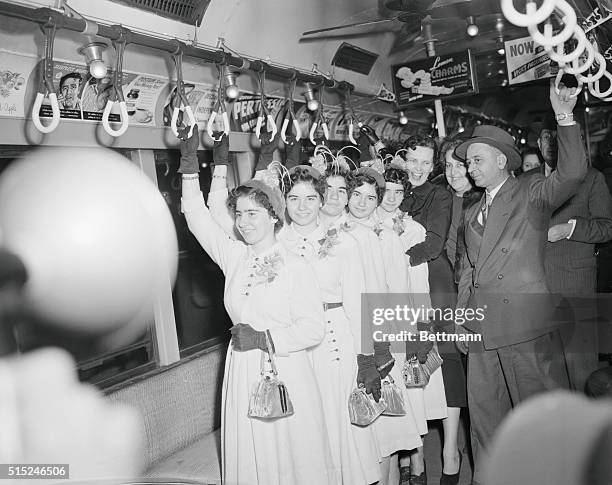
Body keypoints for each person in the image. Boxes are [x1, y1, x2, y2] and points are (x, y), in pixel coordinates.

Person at [179, 126, 337, 485]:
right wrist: (192, 167)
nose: (244, 222)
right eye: (239, 214)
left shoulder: (297, 265)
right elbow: (197, 217)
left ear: (273, 218)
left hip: (287, 371)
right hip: (243, 369)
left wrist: (266, 337)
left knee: (289, 457)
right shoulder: (234, 256)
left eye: (253, 214)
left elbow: (314, 328)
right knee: (252, 459)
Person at [453, 82, 587, 485]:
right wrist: (462, 319)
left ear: (501, 160)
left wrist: (564, 116)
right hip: (481, 329)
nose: (469, 168)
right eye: (467, 162)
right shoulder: (472, 210)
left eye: (476, 160)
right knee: (485, 417)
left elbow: (573, 172)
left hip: (524, 328)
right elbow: (468, 270)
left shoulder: (530, 191)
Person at [277, 164, 380, 485]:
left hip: (334, 344)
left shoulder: (344, 243)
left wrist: (367, 358)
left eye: (310, 198)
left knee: (337, 426)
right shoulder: (275, 244)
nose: (303, 207)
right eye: (294, 199)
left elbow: (358, 303)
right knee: (303, 429)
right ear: (284, 202)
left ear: (322, 201)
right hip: (292, 346)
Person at [522, 118, 612, 392]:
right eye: (546, 138)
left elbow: (606, 227)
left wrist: (569, 229)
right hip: (535, 288)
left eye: (556, 138)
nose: (551, 144)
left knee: (581, 370)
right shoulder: (527, 180)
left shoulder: (592, 178)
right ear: (539, 144)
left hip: (575, 287)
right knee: (548, 373)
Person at [398, 134, 459, 485]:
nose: (419, 168)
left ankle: (449, 453)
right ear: (402, 159)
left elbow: (433, 244)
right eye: (413, 160)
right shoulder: (391, 190)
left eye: (426, 162)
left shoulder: (439, 195)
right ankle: (414, 456)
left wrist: (391, 259)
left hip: (434, 286)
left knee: (444, 366)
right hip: (401, 287)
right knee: (408, 368)